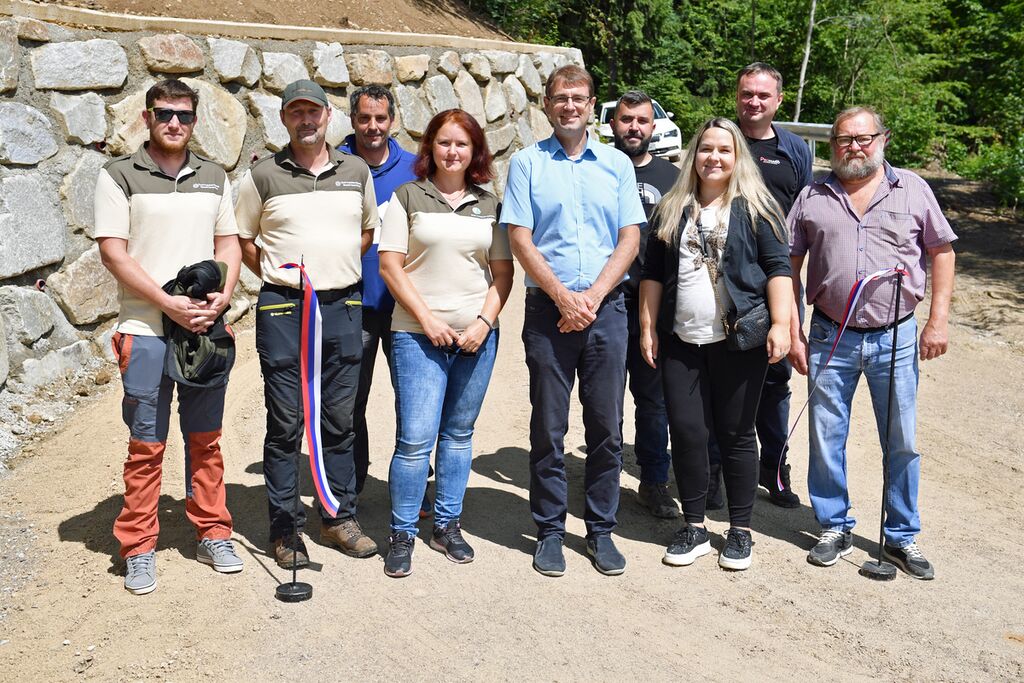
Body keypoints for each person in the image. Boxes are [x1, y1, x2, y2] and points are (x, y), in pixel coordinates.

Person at [789, 106, 956, 580]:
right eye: (844, 139)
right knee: (826, 437)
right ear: (833, 144)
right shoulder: (812, 196)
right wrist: (792, 327)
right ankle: (833, 526)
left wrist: (937, 321)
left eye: (864, 138)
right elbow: (789, 263)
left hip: (895, 336)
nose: (854, 147)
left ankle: (901, 536)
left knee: (901, 440)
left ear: (884, 139)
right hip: (830, 334)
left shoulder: (914, 189)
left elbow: (942, 252)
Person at [95, 78, 243, 594]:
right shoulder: (118, 175)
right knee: (146, 445)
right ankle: (138, 546)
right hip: (145, 330)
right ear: (147, 118)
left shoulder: (214, 176)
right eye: (164, 114)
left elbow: (229, 245)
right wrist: (167, 304)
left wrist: (222, 298)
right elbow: (113, 252)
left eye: (184, 115)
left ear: (195, 120)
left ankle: (213, 532)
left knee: (206, 441)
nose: (174, 123)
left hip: (203, 329)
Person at [501, 65, 645, 577]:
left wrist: (592, 297)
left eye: (578, 98)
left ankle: (601, 529)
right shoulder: (527, 163)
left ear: (591, 105)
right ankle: (549, 531)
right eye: (560, 98)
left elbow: (630, 237)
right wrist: (564, 298)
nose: (569, 106)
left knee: (606, 426)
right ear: (546, 104)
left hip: (607, 311)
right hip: (548, 311)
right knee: (549, 425)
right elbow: (520, 238)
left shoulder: (616, 164)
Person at [235, 79, 379, 568]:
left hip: (343, 306)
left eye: (313, 112)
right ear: (284, 119)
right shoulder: (263, 176)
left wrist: (334, 270)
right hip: (285, 307)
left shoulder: (355, 170)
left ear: (327, 116)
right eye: (296, 113)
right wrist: (282, 278)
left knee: (340, 418)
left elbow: (365, 231)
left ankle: (338, 518)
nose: (306, 120)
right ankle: (285, 529)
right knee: (286, 422)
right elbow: (244, 239)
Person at [639, 118, 792, 571]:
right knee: (687, 433)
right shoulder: (671, 208)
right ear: (694, 154)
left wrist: (782, 324)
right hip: (681, 340)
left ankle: (740, 531)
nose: (714, 158)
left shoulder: (757, 208)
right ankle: (694, 527)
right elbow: (652, 273)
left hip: (738, 341)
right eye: (706, 148)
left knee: (737, 435)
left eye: (725, 150)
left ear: (737, 157)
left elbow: (779, 268)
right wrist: (648, 327)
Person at [377, 109, 513, 578]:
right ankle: (401, 532)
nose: (452, 152)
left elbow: (502, 274)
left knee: (458, 436)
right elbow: (390, 266)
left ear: (475, 151)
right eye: (444, 142)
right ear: (430, 147)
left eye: (462, 144)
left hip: (477, 338)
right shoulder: (407, 196)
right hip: (418, 337)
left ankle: (446, 525)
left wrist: (484, 323)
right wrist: (427, 319)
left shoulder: (490, 204)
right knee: (415, 440)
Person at [732, 62, 814, 508]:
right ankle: (718, 468)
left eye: (763, 94)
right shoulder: (722, 139)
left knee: (775, 377)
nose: (754, 101)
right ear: (737, 96)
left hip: (777, 280)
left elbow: (804, 216)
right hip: (724, 280)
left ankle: (774, 469)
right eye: (747, 93)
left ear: (779, 100)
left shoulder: (794, 149)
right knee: (719, 376)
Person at [338, 85, 417, 498]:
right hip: (354, 306)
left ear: (393, 120)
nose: (373, 126)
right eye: (365, 118)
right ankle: (351, 486)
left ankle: (414, 486)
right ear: (352, 120)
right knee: (350, 402)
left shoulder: (416, 168)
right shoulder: (334, 166)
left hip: (407, 308)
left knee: (414, 402)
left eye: (381, 118)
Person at [609, 90, 680, 519]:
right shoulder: (598, 168)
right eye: (626, 119)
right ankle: (605, 479)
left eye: (642, 120)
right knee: (606, 400)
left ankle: (654, 481)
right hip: (608, 303)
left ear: (654, 127)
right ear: (612, 124)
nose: (633, 127)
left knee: (654, 402)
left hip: (655, 306)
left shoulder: (673, 177)